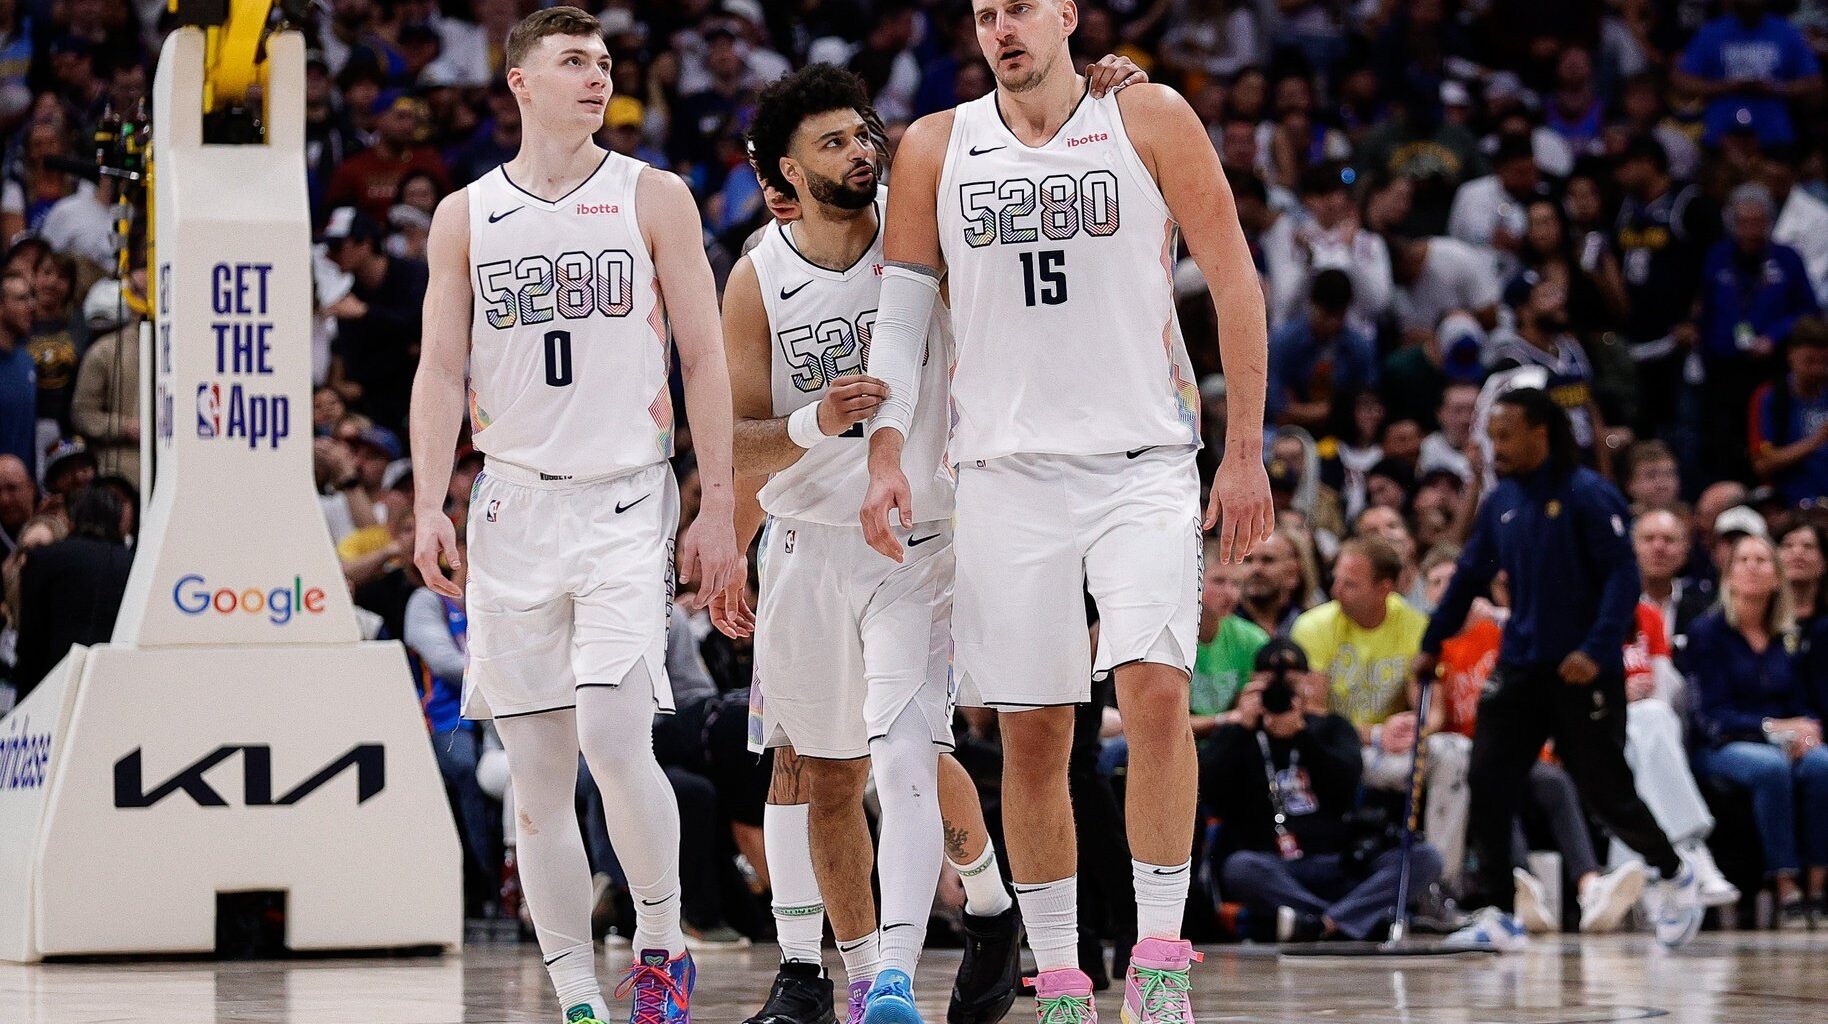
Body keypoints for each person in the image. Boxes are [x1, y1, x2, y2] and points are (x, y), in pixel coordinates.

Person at [860, 0, 1274, 1018]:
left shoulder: (1148, 116)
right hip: (1002, 471)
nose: (1003, 27)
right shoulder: (932, 146)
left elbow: (1232, 279)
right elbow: (901, 317)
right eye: (986, 11)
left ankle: (1163, 959)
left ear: (1065, 15)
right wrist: (882, 455)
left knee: (1158, 694)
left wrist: (1247, 447)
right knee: (1035, 733)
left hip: (1142, 460)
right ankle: (1058, 977)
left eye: (1021, 8)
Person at [713, 64, 1078, 1024]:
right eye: (833, 142)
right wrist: (794, 446)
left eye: (865, 134)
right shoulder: (756, 277)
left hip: (920, 540)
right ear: (784, 171)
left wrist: (1107, 90)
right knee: (824, 775)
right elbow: (730, 440)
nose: (862, 151)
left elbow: (1035, 153)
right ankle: (956, 921)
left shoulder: (931, 241)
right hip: (803, 545)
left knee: (904, 750)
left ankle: (890, 983)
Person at [408, 10, 741, 1024]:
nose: (597, 77)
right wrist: (429, 500)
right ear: (519, 83)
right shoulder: (466, 214)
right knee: (539, 777)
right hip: (511, 502)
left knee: (610, 731)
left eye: (603, 62)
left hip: (625, 495)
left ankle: (659, 941)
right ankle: (573, 993)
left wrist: (718, 499)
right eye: (573, 62)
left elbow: (703, 356)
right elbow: (439, 366)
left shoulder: (653, 196)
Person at [1418, 388, 1702, 953]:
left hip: (1583, 670)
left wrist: (1596, 651)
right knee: (1489, 781)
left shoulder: (1589, 495)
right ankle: (1499, 911)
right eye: (1491, 436)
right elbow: (1471, 576)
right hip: (1522, 664)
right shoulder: (1501, 502)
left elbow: (1623, 579)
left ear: (1541, 432)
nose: (1495, 448)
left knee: (1606, 791)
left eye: (1506, 435)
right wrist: (1432, 641)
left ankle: (1676, 872)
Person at [1208, 640, 1443, 943]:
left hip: (1340, 860)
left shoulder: (1331, 727)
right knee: (1239, 868)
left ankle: (1318, 924)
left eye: (1292, 684)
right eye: (1270, 685)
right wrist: (1241, 726)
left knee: (1424, 857)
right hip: (1276, 865)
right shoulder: (1236, 735)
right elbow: (1210, 789)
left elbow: (1347, 782)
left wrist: (1302, 734)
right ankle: (1341, 920)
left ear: (1308, 683)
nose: (1282, 693)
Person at [1688, 534, 1828, 925]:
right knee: (1770, 769)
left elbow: (1800, 702)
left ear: (1776, 578)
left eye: (1762, 561)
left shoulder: (1787, 634)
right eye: (1743, 560)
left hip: (1779, 739)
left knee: (1822, 765)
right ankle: (1786, 887)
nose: (1752, 567)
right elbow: (1710, 716)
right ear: (1728, 576)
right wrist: (1773, 729)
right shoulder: (1707, 632)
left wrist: (1807, 730)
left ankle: (1818, 886)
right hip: (1722, 744)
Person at [13, 485, 131, 696]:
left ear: (72, 518)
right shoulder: (137, 563)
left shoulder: (45, 558)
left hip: (53, 684)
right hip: (118, 685)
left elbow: (30, 641)